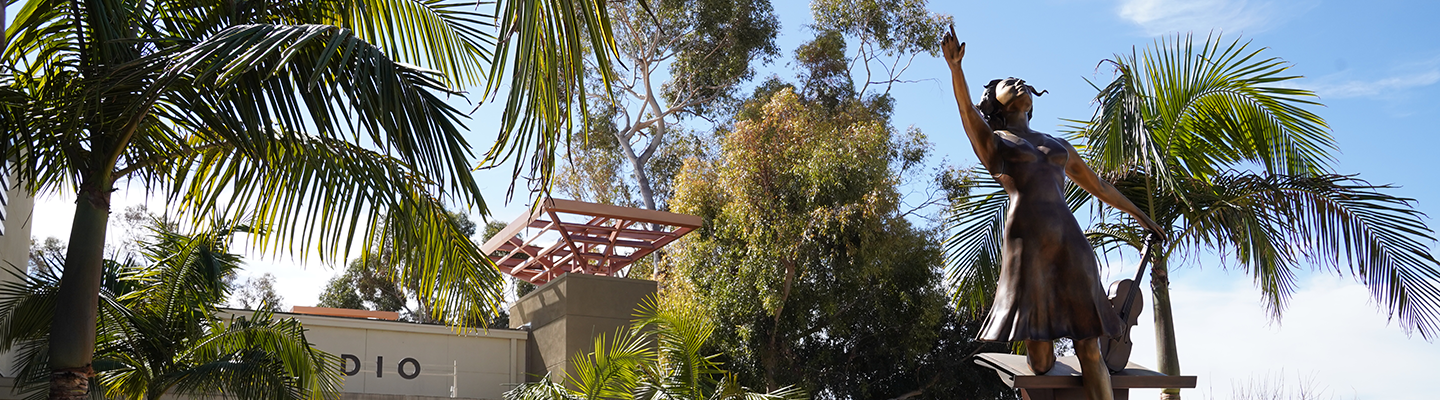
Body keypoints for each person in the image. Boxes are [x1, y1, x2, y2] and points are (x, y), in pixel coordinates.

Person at [940, 27, 1167, 400]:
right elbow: (966, 111)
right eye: (1007, 83)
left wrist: (1143, 217)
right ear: (994, 106)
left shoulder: (1057, 145)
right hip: (1027, 247)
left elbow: (1100, 187)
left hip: (1070, 243)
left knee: (1089, 349)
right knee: (1042, 362)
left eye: (1021, 82)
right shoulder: (995, 144)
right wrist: (956, 69)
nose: (1017, 83)